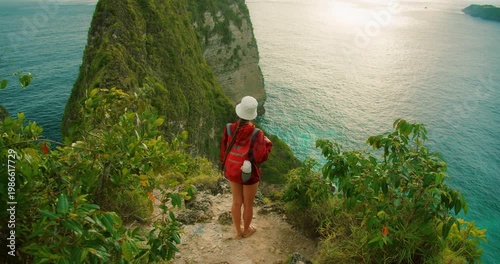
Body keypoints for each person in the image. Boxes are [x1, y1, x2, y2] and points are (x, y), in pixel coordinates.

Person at [220, 96, 273, 239]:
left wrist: (228, 166)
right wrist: (268, 144)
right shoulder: (257, 133)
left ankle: (238, 231)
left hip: (232, 169)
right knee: (248, 204)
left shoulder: (229, 128)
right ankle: (247, 229)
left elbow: (224, 150)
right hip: (249, 173)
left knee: (236, 202)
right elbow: (260, 157)